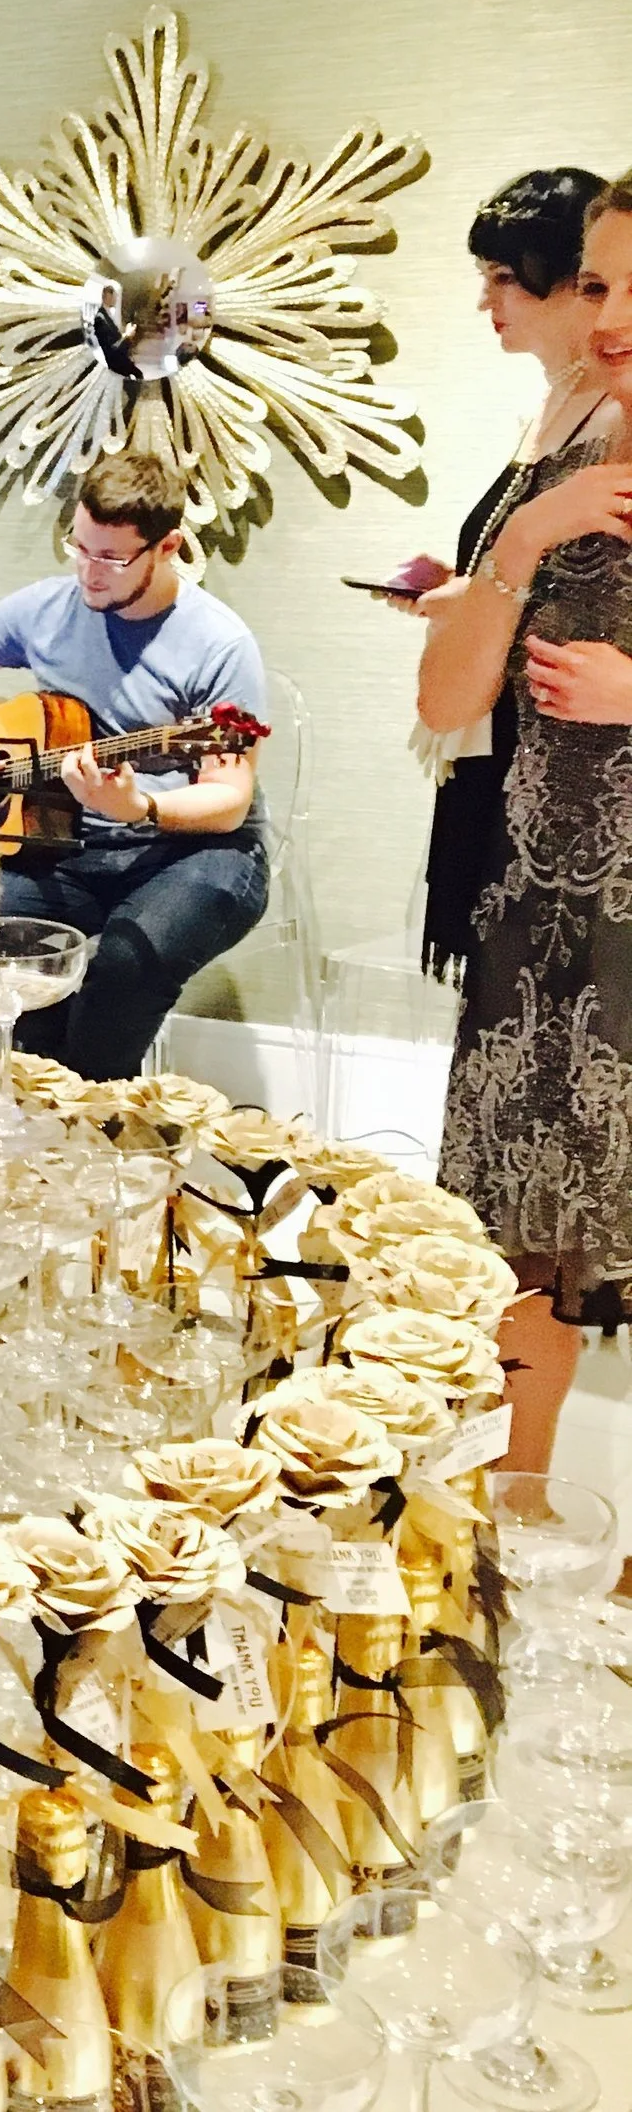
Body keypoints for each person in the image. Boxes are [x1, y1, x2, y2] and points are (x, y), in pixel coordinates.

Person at [421, 174, 632, 1477]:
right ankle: (519, 1497)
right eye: (600, 282)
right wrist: (527, 542)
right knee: (523, 1236)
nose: (612, 315)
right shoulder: (562, 450)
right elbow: (449, 696)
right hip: (538, 908)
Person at [0, 447, 269, 1078]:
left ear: (167, 547)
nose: (89, 572)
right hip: (69, 850)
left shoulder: (219, 644)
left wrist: (140, 806)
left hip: (196, 854)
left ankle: (95, 1119)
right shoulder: (46, 608)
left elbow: (227, 800)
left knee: (127, 960)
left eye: (111, 558)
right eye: (79, 547)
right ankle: (4, 1108)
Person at [387, 170, 614, 987]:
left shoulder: (610, 422)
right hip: (517, 744)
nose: (490, 301)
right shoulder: (555, 412)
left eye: (505, 278)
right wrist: (476, 590)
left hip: (581, 764)